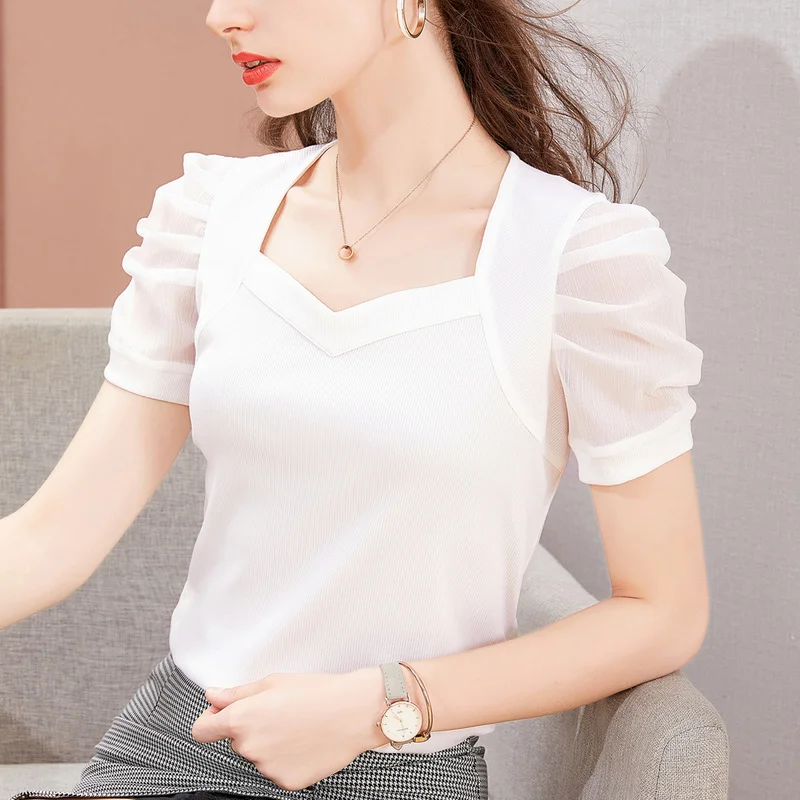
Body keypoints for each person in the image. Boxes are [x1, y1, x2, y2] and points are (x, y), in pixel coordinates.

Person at [3, 1, 709, 799]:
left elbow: (663, 611)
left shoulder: (578, 260)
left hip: (396, 769)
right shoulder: (209, 218)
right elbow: (50, 540)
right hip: (176, 744)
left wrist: (384, 703)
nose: (221, 16)